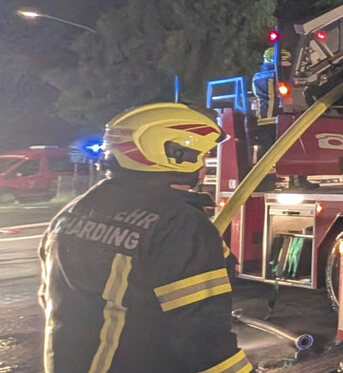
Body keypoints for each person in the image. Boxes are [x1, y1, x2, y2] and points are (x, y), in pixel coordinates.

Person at [38, 103, 252, 373]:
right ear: (177, 154)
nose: (204, 165)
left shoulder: (73, 211)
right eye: (201, 154)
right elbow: (203, 339)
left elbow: (49, 299)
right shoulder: (179, 225)